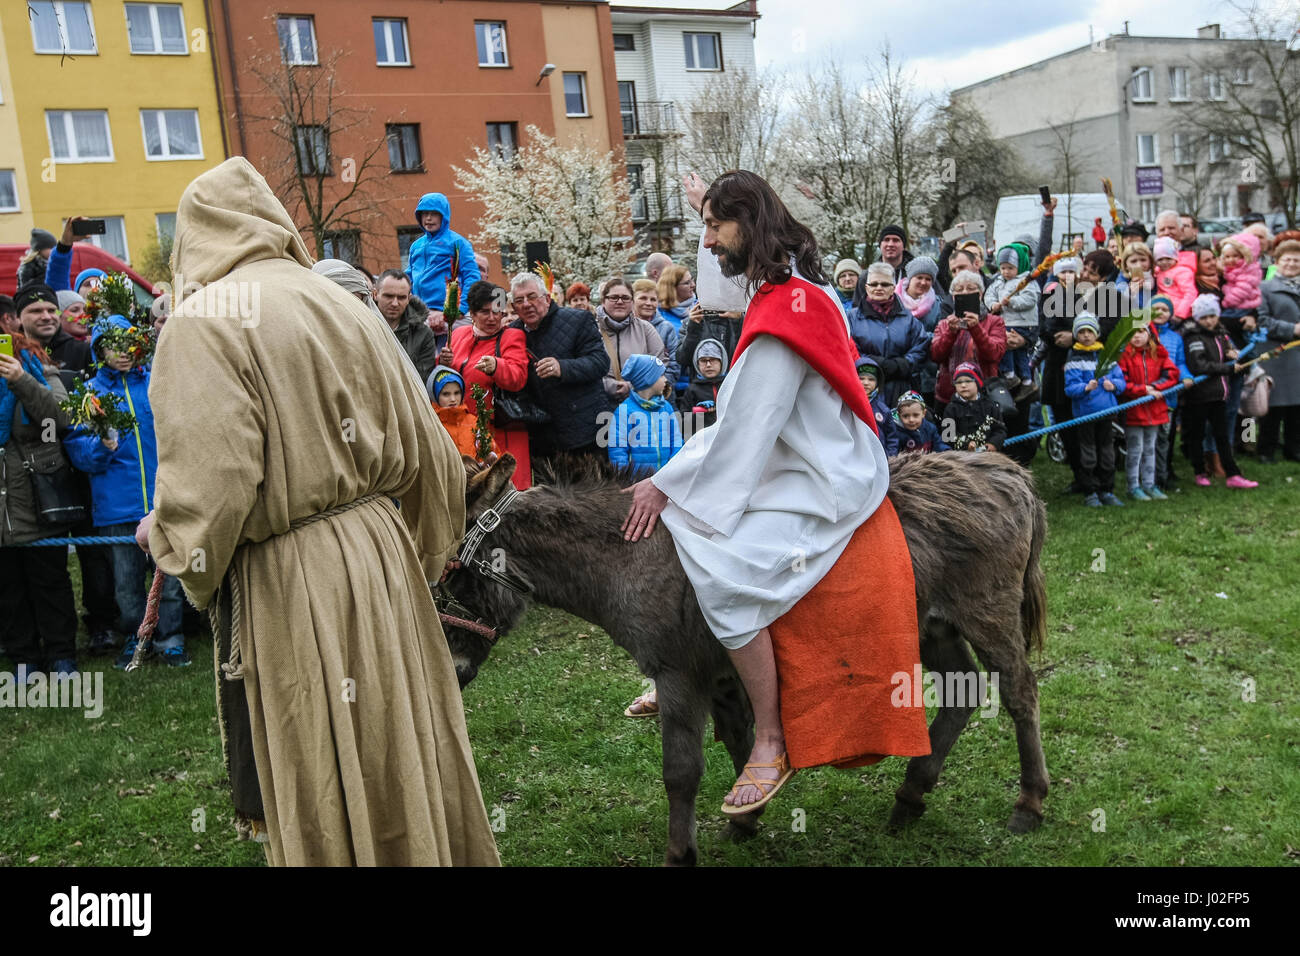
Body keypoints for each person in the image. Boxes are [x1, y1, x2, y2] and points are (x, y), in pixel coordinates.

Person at [141, 157, 499, 866]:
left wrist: (178, 548)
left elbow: (215, 482)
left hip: (292, 573)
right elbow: (433, 453)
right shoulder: (343, 303)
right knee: (400, 750)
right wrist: (417, 560)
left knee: (327, 764)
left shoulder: (203, 320)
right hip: (382, 555)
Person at [621, 170, 925, 815]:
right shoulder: (786, 291)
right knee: (687, 529)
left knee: (725, 573)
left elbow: (742, 430)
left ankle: (770, 738)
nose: (705, 243)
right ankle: (681, 670)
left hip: (819, 473)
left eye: (713, 227)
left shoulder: (788, 311)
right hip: (786, 457)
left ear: (749, 226)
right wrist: (707, 201)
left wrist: (662, 482)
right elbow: (741, 411)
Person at [63, 314, 189, 668]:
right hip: (118, 507)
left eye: (128, 343)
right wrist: (103, 445)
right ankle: (137, 637)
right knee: (126, 583)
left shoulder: (156, 384)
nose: (123, 352)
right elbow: (80, 454)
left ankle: (172, 639)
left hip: (164, 502)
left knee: (171, 577)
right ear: (98, 349)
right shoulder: (90, 397)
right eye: (112, 344)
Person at [0, 287, 78, 680]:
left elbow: (61, 417)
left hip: (36, 491)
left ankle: (62, 656)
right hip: (2, 501)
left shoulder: (32, 360)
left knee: (49, 581)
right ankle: (23, 662)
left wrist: (20, 381)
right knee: (8, 588)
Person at [438, 279, 531, 488]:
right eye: (485, 312)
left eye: (497, 311)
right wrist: (441, 363)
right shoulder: (459, 334)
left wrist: (497, 366)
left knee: (503, 496)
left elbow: (518, 377)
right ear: (472, 313)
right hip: (460, 431)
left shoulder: (512, 336)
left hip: (499, 432)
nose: (492, 318)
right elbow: (444, 381)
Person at [509, 271, 609, 463]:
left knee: (591, 491)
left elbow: (600, 362)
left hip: (584, 430)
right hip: (542, 436)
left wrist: (562, 368)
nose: (526, 304)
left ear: (547, 298)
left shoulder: (578, 320)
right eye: (519, 300)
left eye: (532, 297)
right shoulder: (512, 332)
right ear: (514, 307)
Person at [1181, 294, 1257, 489]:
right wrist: (1228, 368)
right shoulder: (1193, 338)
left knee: (1222, 435)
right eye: (1204, 317)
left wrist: (1233, 354)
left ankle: (1232, 474)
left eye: (1212, 316)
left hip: (1219, 395)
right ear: (1197, 318)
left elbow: (1229, 352)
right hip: (1199, 396)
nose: (1209, 321)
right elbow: (1199, 365)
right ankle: (1199, 471)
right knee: (1197, 435)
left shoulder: (1221, 334)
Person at [1064, 312, 1126, 507]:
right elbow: (1069, 388)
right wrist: (1085, 388)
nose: (1085, 336)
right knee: (1088, 453)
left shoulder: (1107, 356)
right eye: (1081, 332)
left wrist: (1113, 385)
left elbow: (1121, 381)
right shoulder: (1073, 358)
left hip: (1107, 413)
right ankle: (1090, 491)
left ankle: (1107, 489)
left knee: (1107, 451)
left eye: (1089, 331)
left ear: (1096, 334)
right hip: (1085, 415)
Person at [848, 261, 929, 406]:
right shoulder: (852, 318)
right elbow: (850, 348)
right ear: (866, 288)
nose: (879, 288)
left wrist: (901, 364)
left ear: (893, 288)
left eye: (884, 284)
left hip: (902, 388)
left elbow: (921, 347)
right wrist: (877, 364)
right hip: (866, 387)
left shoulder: (908, 319)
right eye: (874, 284)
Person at [1116, 324, 1179, 500]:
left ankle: (1149, 484)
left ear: (1149, 334)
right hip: (1134, 412)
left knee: (1150, 448)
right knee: (1135, 449)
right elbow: (1123, 383)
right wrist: (1143, 390)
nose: (1136, 336)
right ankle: (1133, 486)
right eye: (1132, 332)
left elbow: (1172, 374)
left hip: (1155, 410)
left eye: (1141, 331)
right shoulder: (1124, 356)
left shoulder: (1159, 353)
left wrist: (1155, 387)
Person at [930, 270, 1007, 407]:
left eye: (971, 289)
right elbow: (936, 355)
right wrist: (951, 333)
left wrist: (976, 328)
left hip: (983, 394)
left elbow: (994, 355)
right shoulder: (945, 324)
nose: (965, 292)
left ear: (980, 294)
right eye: (959, 289)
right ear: (953, 297)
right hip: (949, 396)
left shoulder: (995, 321)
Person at [1255, 240, 1300, 463]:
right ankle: (1265, 450)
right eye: (1287, 259)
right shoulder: (1265, 288)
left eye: (1296, 260)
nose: (1292, 264)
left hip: (1297, 357)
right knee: (1272, 406)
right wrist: (1292, 329)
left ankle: (1294, 449)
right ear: (1277, 262)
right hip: (1275, 354)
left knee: (1296, 407)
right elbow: (1261, 321)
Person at [406, 192, 481, 324]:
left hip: (450, 314)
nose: (428, 218)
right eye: (424, 213)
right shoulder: (416, 245)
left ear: (444, 216)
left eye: (434, 214)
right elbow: (408, 277)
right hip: (420, 313)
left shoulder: (458, 243)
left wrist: (460, 310)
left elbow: (472, 276)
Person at [594, 277, 668, 405]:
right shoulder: (592, 330)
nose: (620, 301)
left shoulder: (645, 329)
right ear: (603, 301)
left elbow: (659, 363)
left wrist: (632, 386)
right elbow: (585, 366)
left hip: (639, 404)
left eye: (625, 298)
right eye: (614, 297)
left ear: (632, 301)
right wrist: (609, 386)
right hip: (599, 404)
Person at [607, 354, 682, 476]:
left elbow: (677, 440)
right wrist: (624, 478)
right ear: (648, 379)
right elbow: (618, 450)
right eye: (661, 375)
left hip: (666, 479)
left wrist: (673, 467)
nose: (665, 379)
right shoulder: (624, 411)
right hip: (637, 482)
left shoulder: (666, 407)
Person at [1148, 295, 1193, 490]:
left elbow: (1180, 361)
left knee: (1166, 438)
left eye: (1165, 310)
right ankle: (1147, 477)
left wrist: (1186, 376)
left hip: (1169, 395)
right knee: (1148, 440)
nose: (1160, 313)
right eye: (1156, 309)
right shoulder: (1142, 333)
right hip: (1148, 393)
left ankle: (1164, 473)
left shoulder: (1175, 338)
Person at [985, 244, 1040, 387]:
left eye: (1010, 268)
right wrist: (993, 304)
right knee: (1008, 348)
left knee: (1017, 351)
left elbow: (1030, 300)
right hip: (1007, 321)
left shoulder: (1026, 282)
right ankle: (1013, 374)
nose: (1006, 272)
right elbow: (989, 295)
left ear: (1019, 266)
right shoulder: (998, 282)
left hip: (1022, 323)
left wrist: (1011, 302)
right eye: (1003, 268)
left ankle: (1023, 377)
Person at [373, 268, 439, 381]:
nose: (394, 303)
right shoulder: (360, 326)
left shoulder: (423, 334)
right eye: (388, 296)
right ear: (375, 294)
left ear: (409, 298)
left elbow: (421, 379)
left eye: (401, 297)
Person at [427, 365, 494, 460]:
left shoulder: (474, 422)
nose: (453, 399)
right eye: (446, 394)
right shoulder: (430, 424)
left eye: (457, 393)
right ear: (435, 396)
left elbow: (490, 451)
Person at [940, 362, 1006, 452]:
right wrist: (966, 444)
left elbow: (1000, 430)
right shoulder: (950, 408)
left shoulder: (990, 405)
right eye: (959, 382)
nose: (963, 385)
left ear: (978, 382)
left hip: (988, 455)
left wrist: (993, 443)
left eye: (968, 381)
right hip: (961, 456)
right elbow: (947, 435)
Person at [632, 278, 680, 388]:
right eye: (643, 298)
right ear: (632, 300)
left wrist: (662, 387)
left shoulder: (666, 328)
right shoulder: (626, 327)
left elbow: (674, 363)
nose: (648, 303)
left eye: (653, 299)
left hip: (660, 392)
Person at [855, 356, 900, 455]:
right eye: (861, 378)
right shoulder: (848, 405)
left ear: (878, 383)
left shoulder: (883, 410)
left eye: (871, 379)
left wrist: (890, 457)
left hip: (879, 456)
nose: (866, 383)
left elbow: (891, 437)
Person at [680, 338, 728, 427]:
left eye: (713, 360)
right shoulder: (692, 389)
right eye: (703, 361)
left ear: (722, 362)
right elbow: (685, 427)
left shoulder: (730, 385)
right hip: (702, 438)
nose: (708, 365)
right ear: (697, 364)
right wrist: (699, 413)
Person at [1153, 237, 1198, 319]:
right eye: (1160, 259)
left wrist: (1179, 314)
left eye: (1168, 259)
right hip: (1163, 310)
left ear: (1175, 258)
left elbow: (1190, 293)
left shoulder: (1182, 272)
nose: (1164, 262)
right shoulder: (1159, 271)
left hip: (1178, 312)